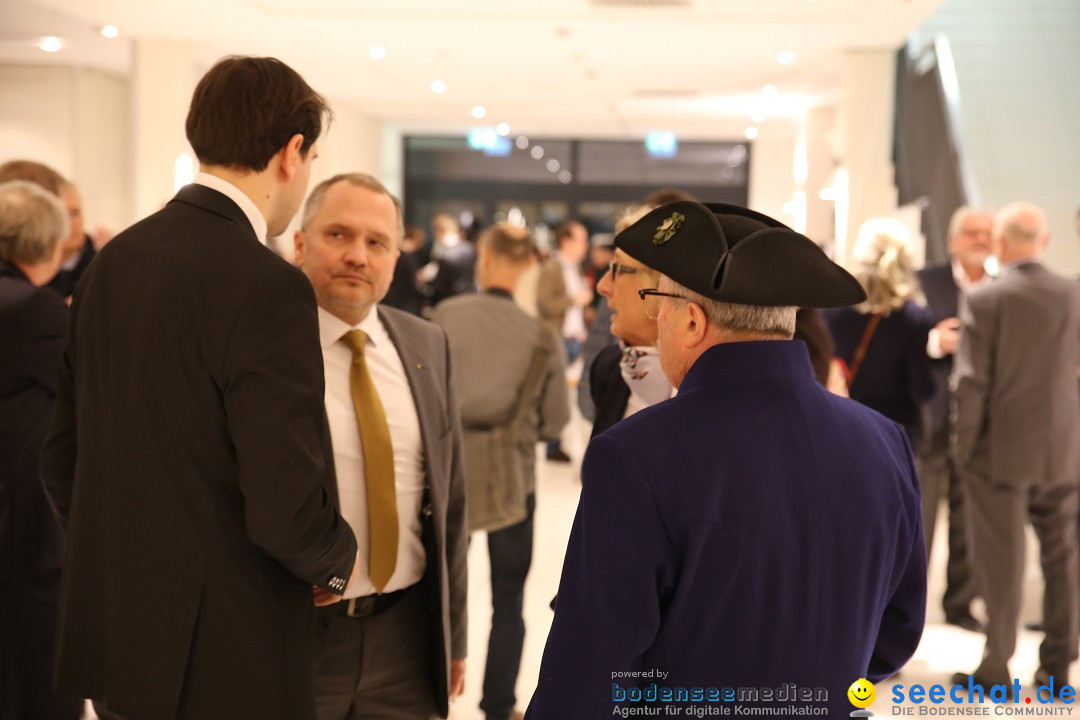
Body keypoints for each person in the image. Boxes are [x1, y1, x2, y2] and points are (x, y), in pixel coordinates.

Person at [39, 56, 360, 720]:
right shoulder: (267, 285)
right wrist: (332, 560)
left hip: (120, 630)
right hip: (226, 645)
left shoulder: (110, 265)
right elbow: (281, 489)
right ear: (291, 152)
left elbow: (62, 456)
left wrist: (127, 548)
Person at [527, 201, 926, 719]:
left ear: (691, 320)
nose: (658, 320)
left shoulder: (635, 454)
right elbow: (895, 634)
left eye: (659, 304)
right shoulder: (883, 441)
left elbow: (587, 674)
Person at [293, 173, 468, 720]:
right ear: (300, 243)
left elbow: (452, 501)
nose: (357, 257)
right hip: (296, 639)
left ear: (397, 257)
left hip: (407, 640)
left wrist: (453, 635)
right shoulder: (261, 346)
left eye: (376, 243)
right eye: (338, 235)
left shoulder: (425, 343)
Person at [433, 224, 570, 720]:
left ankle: (432, 696)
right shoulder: (540, 336)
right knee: (508, 599)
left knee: (442, 591)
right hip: (513, 480)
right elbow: (556, 421)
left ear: (484, 258)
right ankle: (498, 706)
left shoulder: (444, 317)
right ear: (528, 266)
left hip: (448, 476)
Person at [951, 201, 1080, 695]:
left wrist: (965, 447)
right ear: (1043, 243)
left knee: (1002, 565)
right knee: (1063, 560)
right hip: (1063, 449)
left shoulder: (987, 299)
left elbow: (971, 383)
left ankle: (996, 668)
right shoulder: (1072, 295)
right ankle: (1057, 669)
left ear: (1001, 245)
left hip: (999, 451)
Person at [0, 180, 82, 720]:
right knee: (39, 685)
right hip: (24, 535)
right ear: (52, 247)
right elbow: (101, 390)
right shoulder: (35, 310)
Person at [916, 206, 993, 633]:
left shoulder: (1002, 289)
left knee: (970, 519)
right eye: (971, 232)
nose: (980, 238)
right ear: (952, 239)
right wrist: (934, 341)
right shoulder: (923, 282)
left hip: (980, 421)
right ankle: (910, 604)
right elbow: (904, 337)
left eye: (987, 232)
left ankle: (961, 603)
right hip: (928, 416)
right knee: (919, 515)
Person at [823, 217, 935, 450]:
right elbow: (921, 390)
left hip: (840, 426)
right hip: (893, 433)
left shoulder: (831, 308)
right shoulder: (914, 317)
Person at [589, 206, 671, 437]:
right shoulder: (609, 368)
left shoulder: (706, 388)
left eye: (617, 269)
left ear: (660, 286)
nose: (603, 286)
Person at [537, 221, 592, 462]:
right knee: (554, 393)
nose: (586, 246)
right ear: (566, 241)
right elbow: (546, 303)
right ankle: (552, 444)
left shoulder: (575, 268)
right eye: (582, 240)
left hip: (574, 339)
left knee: (569, 394)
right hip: (558, 339)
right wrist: (575, 299)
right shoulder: (552, 268)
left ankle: (558, 442)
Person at [425, 212, 476, 304]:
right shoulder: (470, 248)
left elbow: (439, 284)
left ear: (440, 232)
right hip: (469, 297)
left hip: (450, 300)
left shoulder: (446, 255)